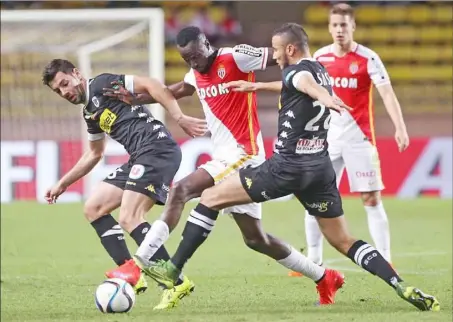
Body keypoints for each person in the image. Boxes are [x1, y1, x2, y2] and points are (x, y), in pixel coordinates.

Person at [139, 23, 440, 311]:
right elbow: (295, 84)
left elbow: (302, 85)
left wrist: (326, 98)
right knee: (344, 241)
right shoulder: (321, 70)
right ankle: (398, 284)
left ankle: (173, 268)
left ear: (292, 49)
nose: (275, 55)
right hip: (319, 170)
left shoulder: (301, 75)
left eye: (277, 50)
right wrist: (256, 86)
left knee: (209, 198)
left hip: (286, 168)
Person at [104, 26, 345, 309]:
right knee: (256, 239)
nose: (193, 62)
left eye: (196, 54)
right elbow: (175, 91)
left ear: (206, 43)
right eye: (187, 59)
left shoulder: (236, 58)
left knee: (181, 190)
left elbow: (283, 57)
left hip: (245, 152)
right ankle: (324, 277)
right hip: (227, 155)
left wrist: (311, 73)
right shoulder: (194, 73)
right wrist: (134, 98)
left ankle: (138, 265)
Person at [41, 59, 206, 306]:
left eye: (65, 83)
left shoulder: (102, 83)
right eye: (58, 91)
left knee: (130, 217)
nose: (64, 92)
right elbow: (94, 153)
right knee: (94, 208)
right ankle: (132, 274)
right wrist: (63, 184)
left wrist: (179, 117)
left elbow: (151, 84)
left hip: (156, 149)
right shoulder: (89, 113)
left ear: (76, 74)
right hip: (140, 156)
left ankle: (176, 281)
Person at [288, 3, 410, 276]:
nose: (339, 30)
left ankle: (386, 259)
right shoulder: (320, 58)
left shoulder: (368, 58)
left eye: (344, 25)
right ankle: (314, 260)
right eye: (335, 25)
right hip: (326, 140)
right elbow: (306, 94)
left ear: (352, 26)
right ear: (329, 28)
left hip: (359, 140)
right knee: (313, 197)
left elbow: (387, 94)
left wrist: (399, 126)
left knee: (370, 198)